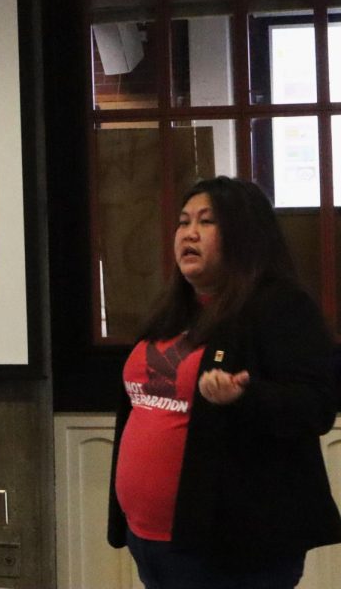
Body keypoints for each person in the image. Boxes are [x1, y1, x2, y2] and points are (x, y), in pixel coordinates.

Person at [108, 175, 341, 589]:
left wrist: (244, 396)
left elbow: (317, 404)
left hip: (232, 548)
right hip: (151, 538)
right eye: (182, 222)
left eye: (206, 222)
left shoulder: (279, 306)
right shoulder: (175, 310)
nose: (188, 233)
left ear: (244, 235)